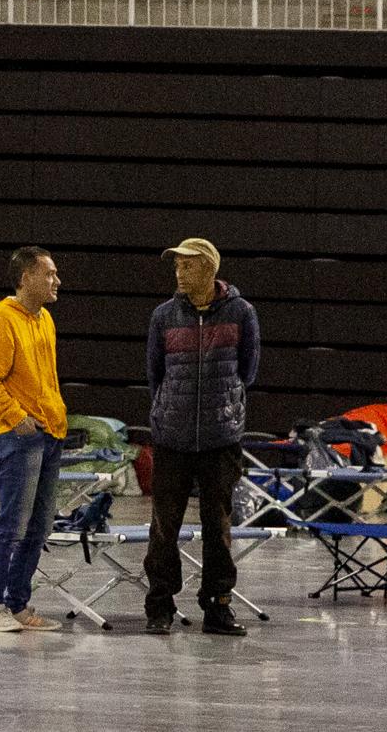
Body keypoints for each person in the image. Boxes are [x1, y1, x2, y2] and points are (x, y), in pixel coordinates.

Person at [142, 237, 261, 636]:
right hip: (171, 438)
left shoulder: (242, 313)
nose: (179, 273)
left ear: (210, 269)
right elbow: (155, 373)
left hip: (220, 439)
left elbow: (248, 370)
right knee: (163, 528)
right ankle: (160, 606)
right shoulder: (163, 316)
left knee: (218, 527)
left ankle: (218, 607)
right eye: (176, 266)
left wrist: (225, 408)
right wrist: (168, 411)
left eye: (188, 265)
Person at [0, 246, 70, 633]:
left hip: (50, 435)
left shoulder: (46, 320)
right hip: (20, 438)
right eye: (49, 274)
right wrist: (17, 419)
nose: (56, 280)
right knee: (11, 526)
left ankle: (17, 605)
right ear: (26, 277)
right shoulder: (1, 318)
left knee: (39, 528)